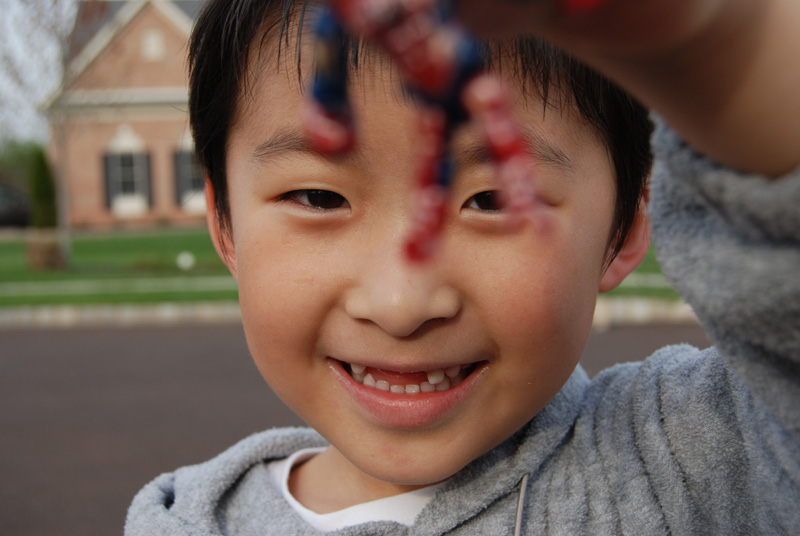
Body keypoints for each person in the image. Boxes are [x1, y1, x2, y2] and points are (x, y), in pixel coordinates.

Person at [126, 0, 800, 534]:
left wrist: (721, 43)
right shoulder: (186, 524)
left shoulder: (684, 460)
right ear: (225, 224)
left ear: (623, 228)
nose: (400, 303)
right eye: (319, 197)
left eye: (493, 200)